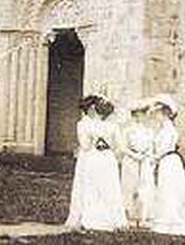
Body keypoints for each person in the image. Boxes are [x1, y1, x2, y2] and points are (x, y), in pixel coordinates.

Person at [65, 94, 128, 232]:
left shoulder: (98, 125)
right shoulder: (88, 124)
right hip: (98, 157)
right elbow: (118, 146)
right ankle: (94, 217)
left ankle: (100, 218)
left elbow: (87, 145)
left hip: (96, 157)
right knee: (99, 186)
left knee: (99, 187)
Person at [150, 94, 185, 236]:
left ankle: (172, 221)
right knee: (165, 190)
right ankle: (166, 220)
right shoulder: (164, 129)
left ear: (165, 113)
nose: (156, 116)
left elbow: (164, 148)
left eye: (157, 113)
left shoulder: (169, 130)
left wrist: (154, 159)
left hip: (169, 161)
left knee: (170, 190)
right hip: (166, 161)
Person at [120, 100, 155, 228]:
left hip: (144, 161)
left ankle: (142, 217)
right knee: (129, 187)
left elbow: (151, 147)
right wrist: (134, 155)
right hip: (131, 160)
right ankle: (129, 217)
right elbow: (123, 147)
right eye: (138, 114)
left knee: (144, 188)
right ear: (133, 115)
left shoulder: (148, 131)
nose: (141, 117)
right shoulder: (128, 130)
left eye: (143, 114)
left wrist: (146, 157)